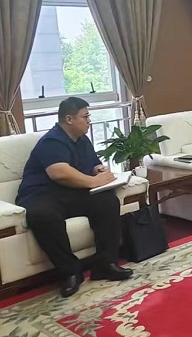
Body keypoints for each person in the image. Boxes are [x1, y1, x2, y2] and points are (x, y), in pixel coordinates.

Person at [16, 97, 132, 298]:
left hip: (71, 192)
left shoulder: (82, 140)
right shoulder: (52, 141)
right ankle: (70, 271)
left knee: (107, 202)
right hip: (42, 194)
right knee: (43, 216)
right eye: (85, 117)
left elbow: (91, 164)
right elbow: (59, 173)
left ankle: (105, 264)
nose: (89, 121)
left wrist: (98, 169)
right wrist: (94, 181)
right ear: (69, 119)